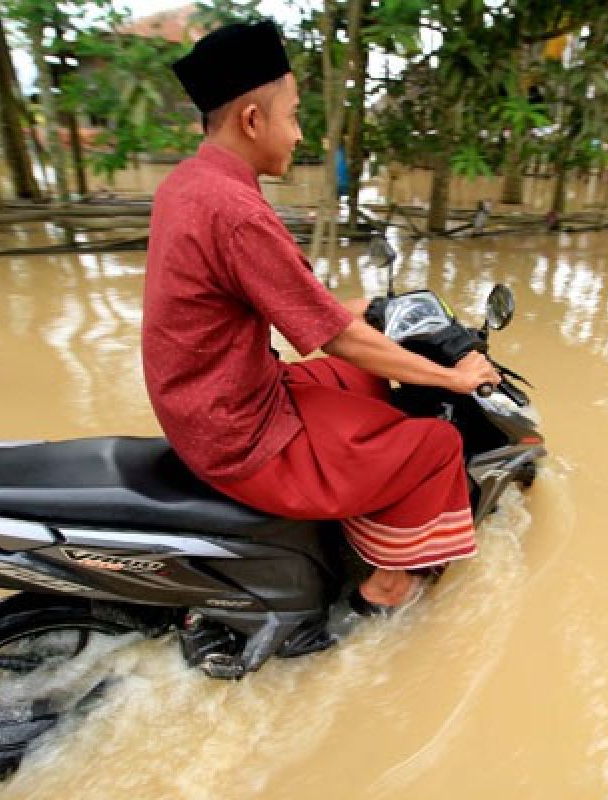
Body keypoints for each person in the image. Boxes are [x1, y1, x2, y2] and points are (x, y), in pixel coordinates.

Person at [143, 20, 500, 615]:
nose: (300, 133)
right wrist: (454, 378)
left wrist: (366, 308)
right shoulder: (237, 211)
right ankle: (382, 591)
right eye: (293, 115)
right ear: (252, 121)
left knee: (364, 383)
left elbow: (285, 299)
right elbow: (336, 338)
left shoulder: (187, 184)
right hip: (239, 431)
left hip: (208, 402)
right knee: (436, 443)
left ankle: (357, 519)